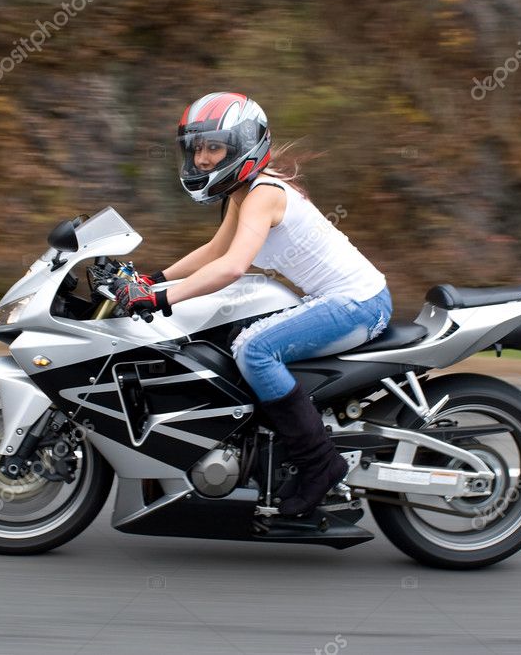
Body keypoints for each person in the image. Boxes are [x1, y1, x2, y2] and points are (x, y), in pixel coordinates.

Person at [116, 92, 392, 516]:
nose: (203, 158)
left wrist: (160, 297)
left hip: (358, 303)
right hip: (338, 300)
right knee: (231, 338)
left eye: (214, 147)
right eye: (197, 148)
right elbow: (213, 251)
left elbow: (231, 267)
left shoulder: (263, 193)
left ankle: (320, 464)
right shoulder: (243, 193)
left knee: (255, 349)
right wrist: (152, 278)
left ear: (243, 145)